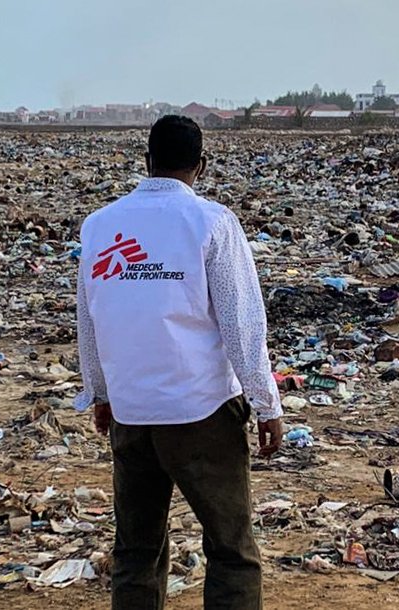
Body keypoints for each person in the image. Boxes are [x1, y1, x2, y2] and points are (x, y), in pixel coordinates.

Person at [76, 115, 283, 610]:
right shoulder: (211, 222)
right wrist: (265, 401)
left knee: (136, 551)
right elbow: (241, 322)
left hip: (132, 411)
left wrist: (100, 393)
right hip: (201, 412)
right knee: (231, 550)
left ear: (146, 162)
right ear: (201, 166)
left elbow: (91, 317)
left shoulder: (101, 225)